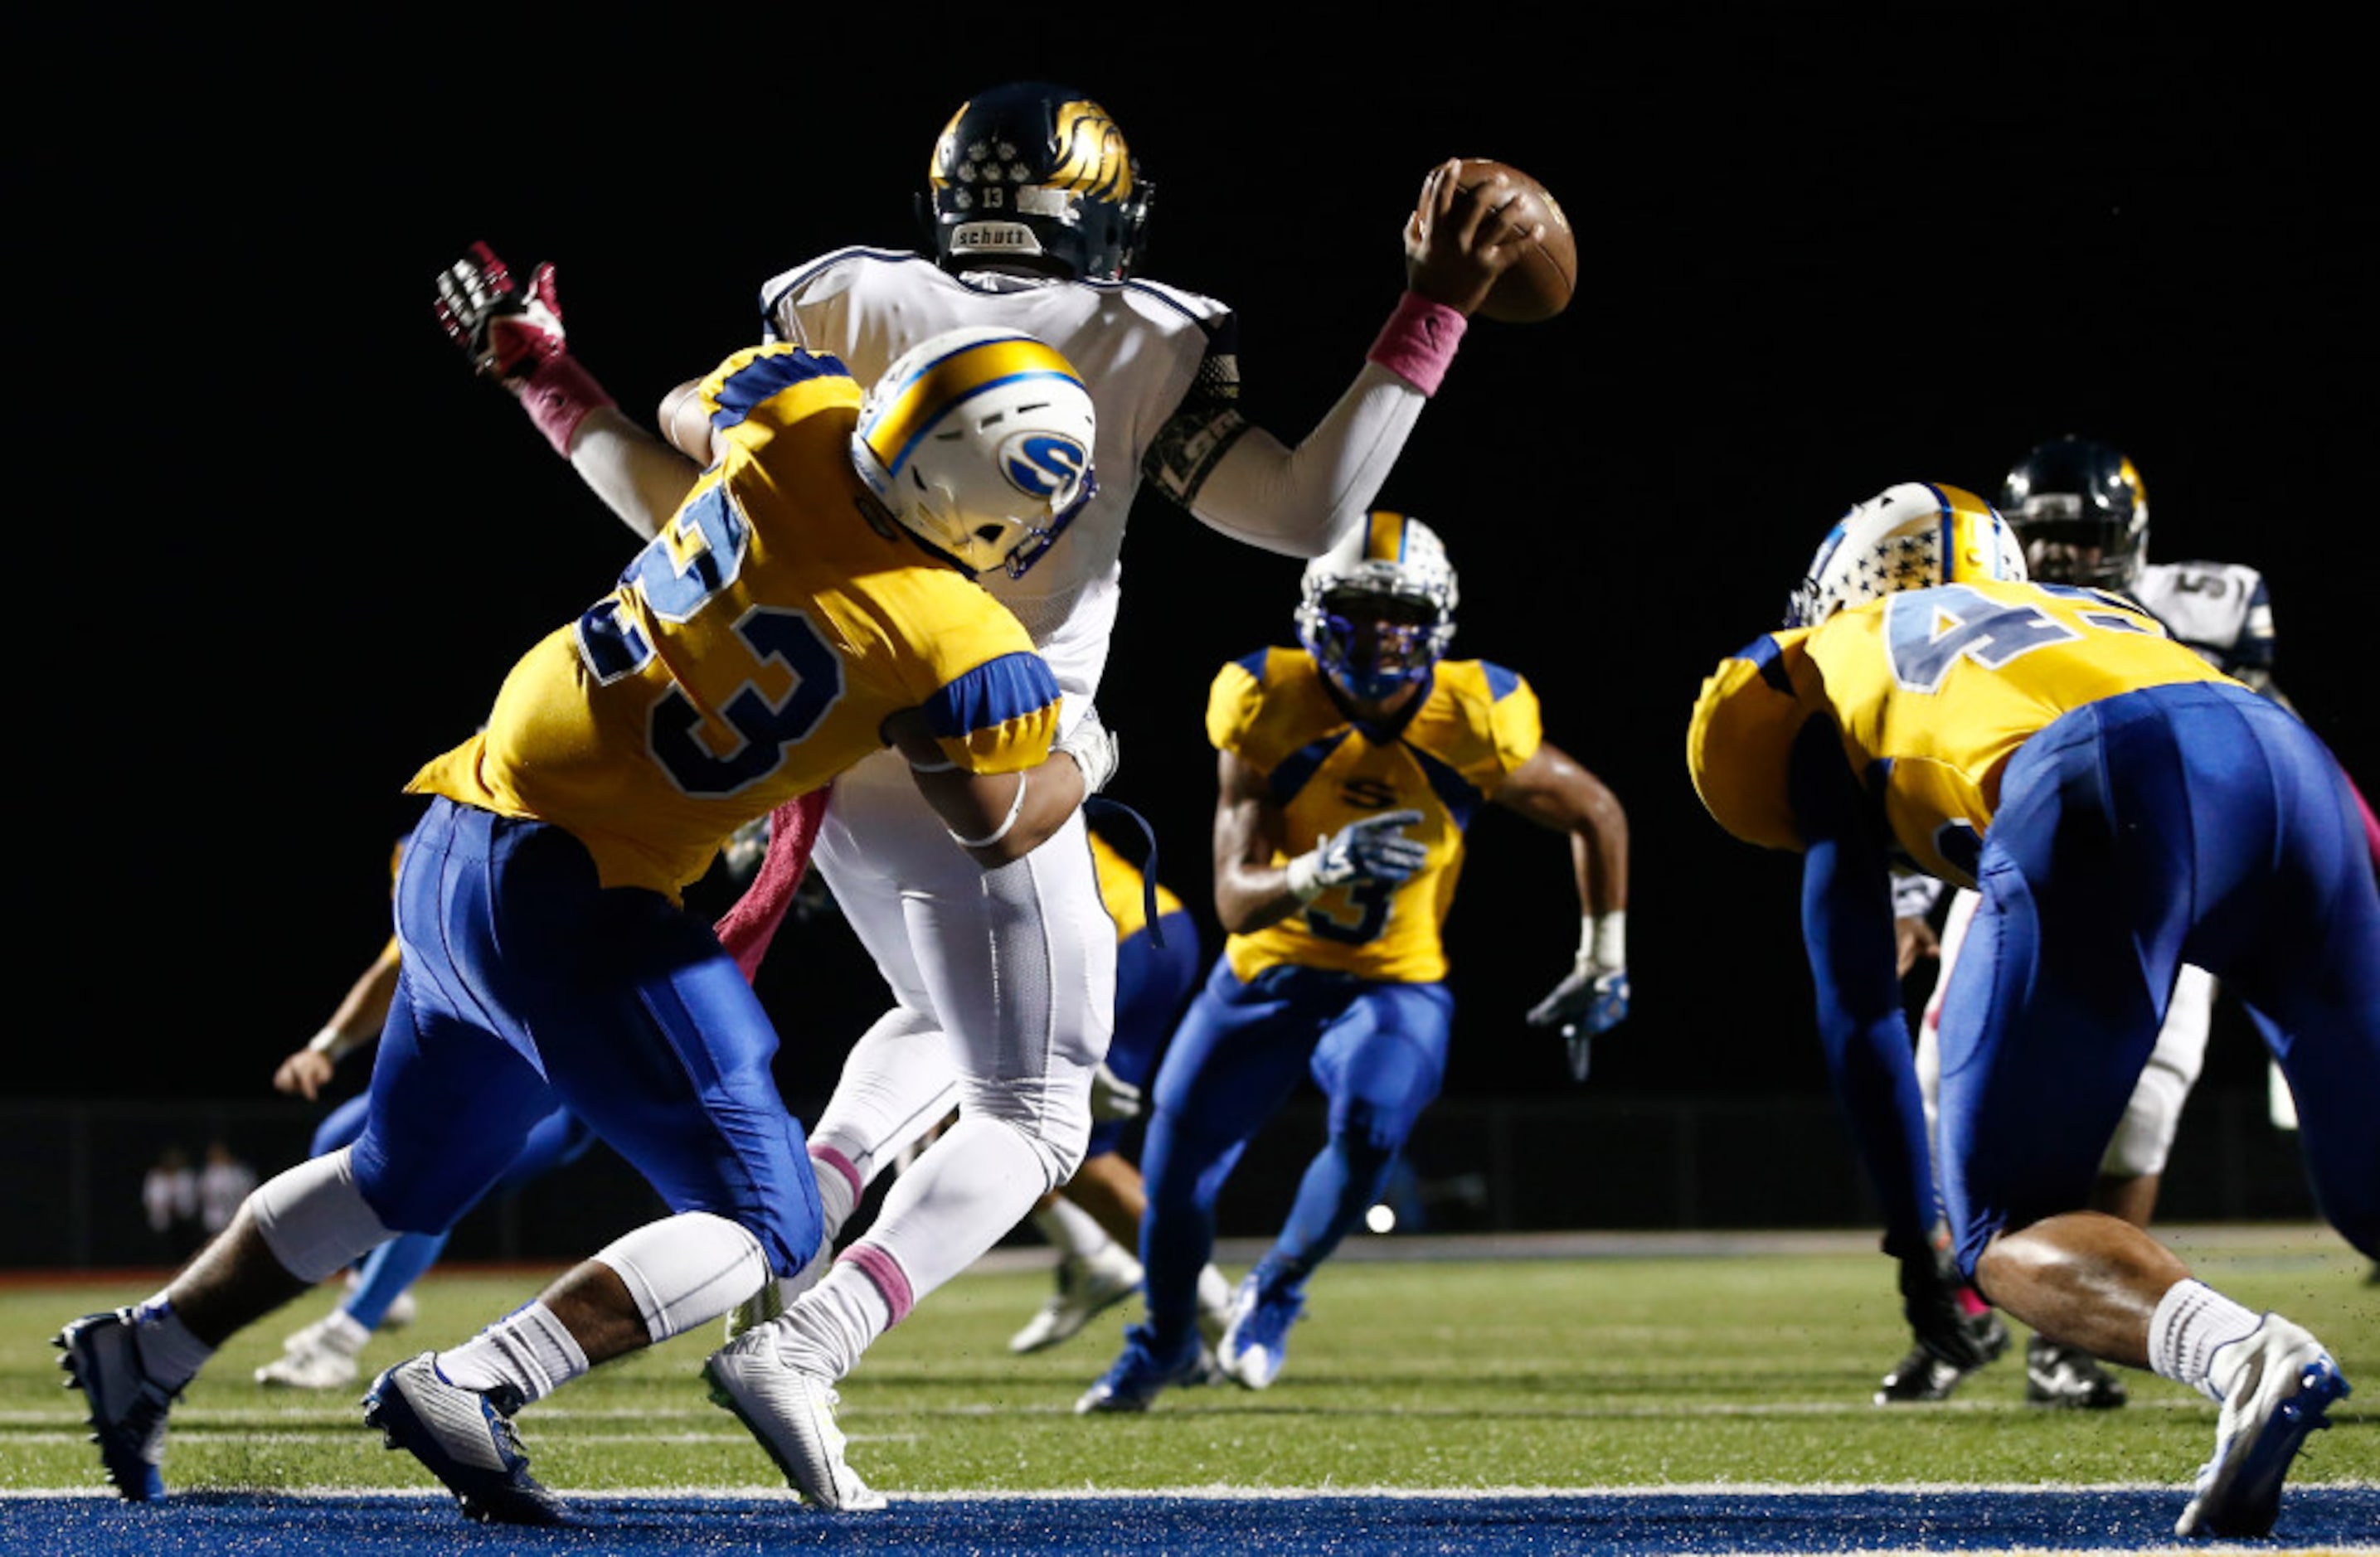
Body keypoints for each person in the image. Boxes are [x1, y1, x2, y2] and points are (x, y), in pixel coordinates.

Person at [439, 82, 1536, 1477]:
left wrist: (553, 378)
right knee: (1044, 1106)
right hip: (1003, 744)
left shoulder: (838, 303)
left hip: (829, 755)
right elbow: (1309, 513)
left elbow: (675, 497)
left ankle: (807, 1201)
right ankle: (806, 1338)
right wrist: (1427, 309)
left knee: (934, 1022)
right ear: (1105, 211)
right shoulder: (1148, 333)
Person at [56, 327, 1112, 1521]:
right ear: (991, 496)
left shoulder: (795, 413)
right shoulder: (955, 634)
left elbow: (671, 411)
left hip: (461, 832)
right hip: (585, 899)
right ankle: (477, 1378)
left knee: (395, 1175)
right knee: (765, 1223)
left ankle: (150, 1344)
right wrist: (1083, 755)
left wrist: (571, 380)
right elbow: (993, 820)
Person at [1687, 481, 2375, 1540]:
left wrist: (1917, 1247)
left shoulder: (1834, 655)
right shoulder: (2093, 614)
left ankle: (2243, 1357)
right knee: (2369, 1188)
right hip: (2297, 774)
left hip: (2110, 777)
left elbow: (1857, 1007)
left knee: (2001, 1227)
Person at [1080, 512, 1632, 1412]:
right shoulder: (1265, 700)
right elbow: (1230, 897)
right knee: (1175, 1181)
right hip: (1264, 975)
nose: (1378, 634)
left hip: (1391, 980)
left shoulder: (1475, 714)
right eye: (1356, 608)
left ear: (1436, 622)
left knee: (1374, 1126)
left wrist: (1602, 956)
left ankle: (1277, 1291)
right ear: (1313, 611)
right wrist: (1319, 867)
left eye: (1398, 614)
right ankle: (1167, 1342)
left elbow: (1596, 812)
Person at [1882, 438, 2290, 1409]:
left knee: (2140, 1106)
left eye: (2079, 536)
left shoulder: (2206, 605)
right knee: (1946, 1091)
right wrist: (1904, 897)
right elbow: (1914, 753)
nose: (2059, 558)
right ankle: (1963, 1317)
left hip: (2170, 876)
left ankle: (2073, 1342)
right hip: (2010, 864)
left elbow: (2256, 728)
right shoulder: (1973, 609)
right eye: (2043, 538)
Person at [256, 842, 598, 1390]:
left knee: (441, 1169)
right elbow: (393, 966)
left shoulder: (537, 877)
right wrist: (325, 1047)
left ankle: (342, 1341)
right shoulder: (429, 856)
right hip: (465, 1074)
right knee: (337, 1140)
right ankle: (376, 1286)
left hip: (555, 1091)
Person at [1006, 825, 1236, 1359]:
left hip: (1108, 939)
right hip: (1143, 930)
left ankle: (1106, 1266)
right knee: (1080, 1157)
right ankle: (1209, 1312)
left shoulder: (928, 768)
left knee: (980, 1115)